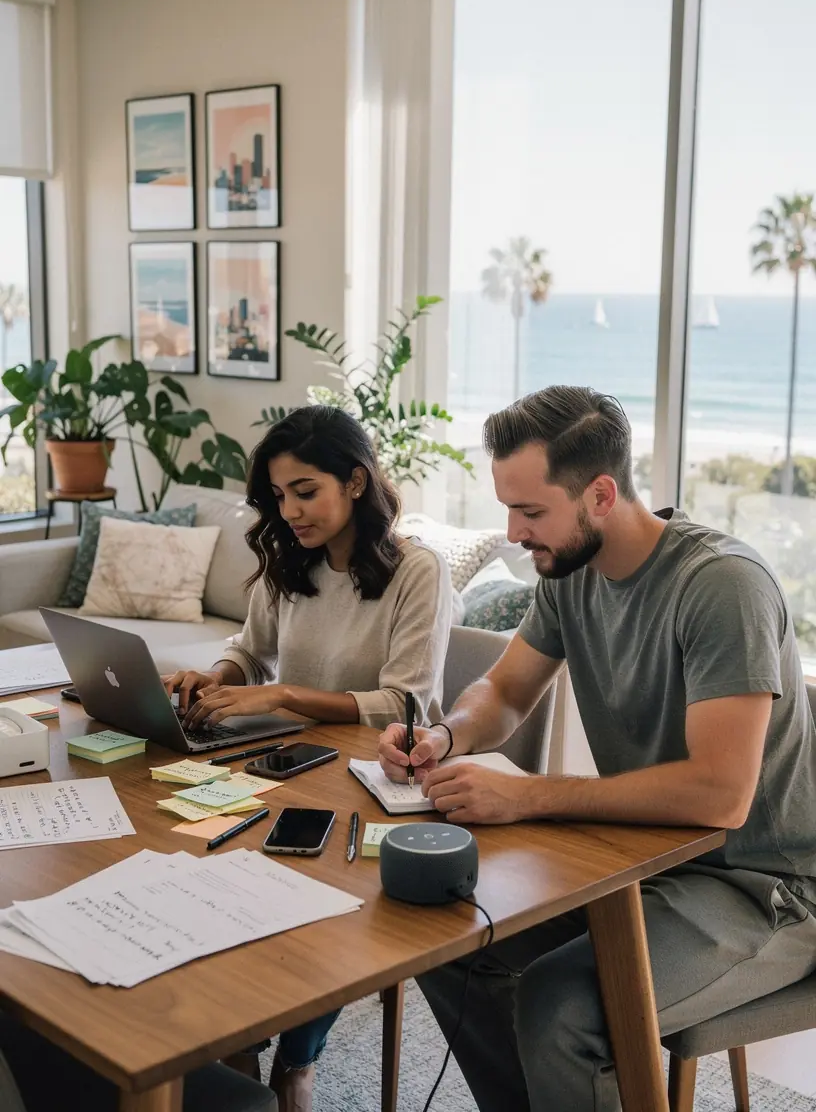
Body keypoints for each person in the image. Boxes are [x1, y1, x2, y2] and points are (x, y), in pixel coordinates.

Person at [378, 385, 816, 1112]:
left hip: (766, 888)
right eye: (507, 508)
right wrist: (444, 735)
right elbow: (505, 691)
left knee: (562, 1007)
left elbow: (722, 795)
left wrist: (530, 796)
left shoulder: (721, 586)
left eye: (530, 511)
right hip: (642, 860)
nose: (514, 532)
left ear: (602, 495)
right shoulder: (571, 569)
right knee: (445, 933)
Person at [165, 405, 452, 1112]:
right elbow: (248, 650)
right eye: (278, 496)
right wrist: (217, 679)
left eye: (305, 491)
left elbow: (406, 702)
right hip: (287, 769)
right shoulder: (290, 560)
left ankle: (296, 1060)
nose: (289, 511)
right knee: (207, 870)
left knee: (322, 899)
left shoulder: (417, 570)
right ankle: (239, 1040)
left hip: (373, 780)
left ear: (355, 482)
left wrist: (284, 694)